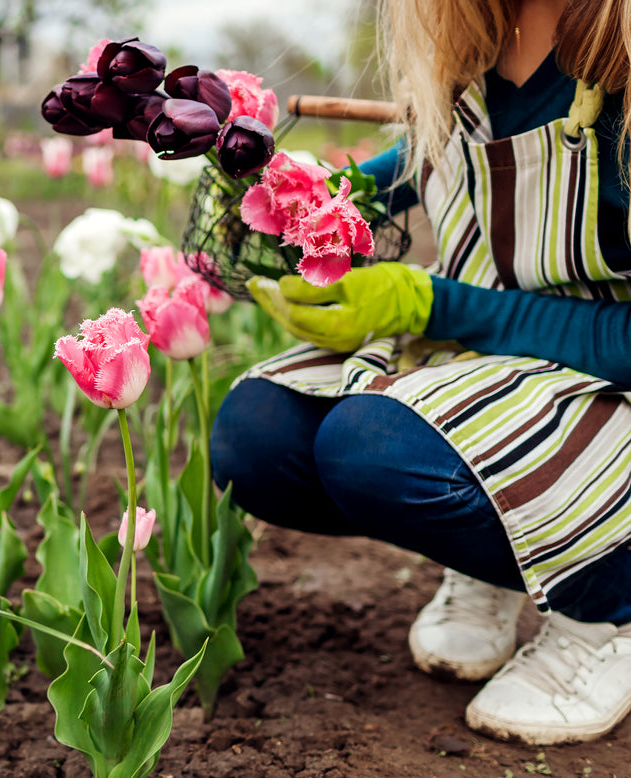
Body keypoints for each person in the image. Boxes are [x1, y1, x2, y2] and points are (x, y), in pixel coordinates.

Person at [210, 0, 631, 746]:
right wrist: (291, 200)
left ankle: (608, 613)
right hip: (495, 371)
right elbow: (415, 168)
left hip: (606, 378)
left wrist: (425, 300)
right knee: (259, 437)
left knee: (373, 446)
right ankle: (499, 561)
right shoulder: (476, 46)